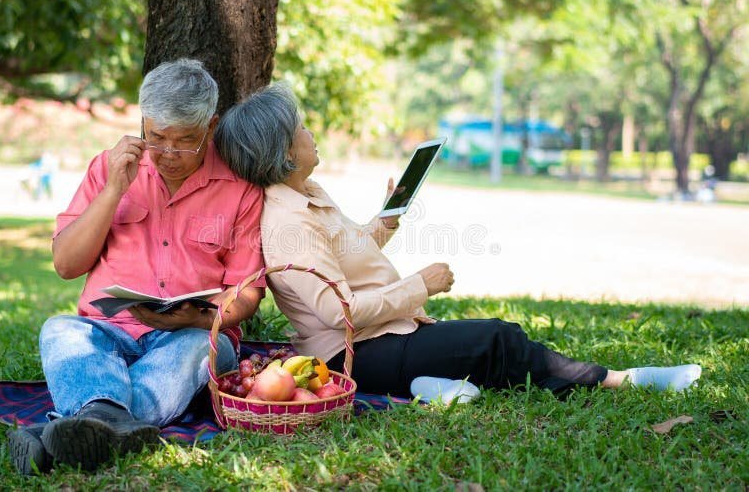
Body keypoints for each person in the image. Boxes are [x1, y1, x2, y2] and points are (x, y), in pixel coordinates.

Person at [215, 84, 701, 403]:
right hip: (355, 352)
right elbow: (337, 312)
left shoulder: (309, 193)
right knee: (498, 337)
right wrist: (418, 285)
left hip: (384, 338)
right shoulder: (286, 221)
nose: (311, 132)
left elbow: (344, 253)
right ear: (282, 150)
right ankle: (623, 378)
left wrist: (387, 219)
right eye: (301, 127)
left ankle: (431, 387)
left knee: (478, 348)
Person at [7, 59, 266, 474]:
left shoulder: (241, 189)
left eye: (185, 141)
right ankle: (112, 426)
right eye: (157, 136)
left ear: (211, 126)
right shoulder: (107, 168)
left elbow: (247, 292)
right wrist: (113, 191)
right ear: (142, 122)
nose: (167, 154)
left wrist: (201, 317)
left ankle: (70, 428)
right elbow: (66, 264)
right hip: (106, 332)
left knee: (201, 350)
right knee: (60, 330)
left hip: (190, 336)